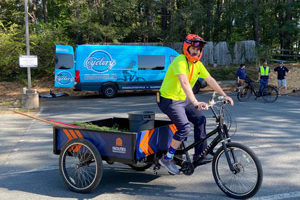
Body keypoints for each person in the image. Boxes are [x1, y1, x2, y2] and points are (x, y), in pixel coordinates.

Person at [157, 34, 234, 175]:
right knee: (184, 128)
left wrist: (224, 95)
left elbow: (210, 79)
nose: (196, 52)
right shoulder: (180, 61)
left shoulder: (197, 65)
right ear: (187, 48)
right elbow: (184, 83)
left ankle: (199, 155)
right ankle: (167, 158)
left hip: (183, 99)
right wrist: (195, 102)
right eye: (193, 48)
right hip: (169, 100)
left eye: (198, 50)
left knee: (200, 120)